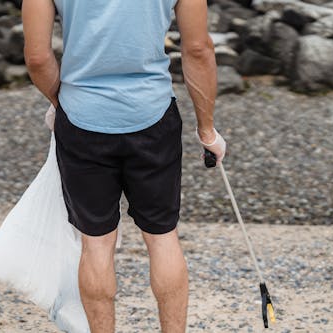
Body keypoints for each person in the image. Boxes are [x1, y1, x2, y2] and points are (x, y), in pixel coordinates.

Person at [22, 0, 227, 332]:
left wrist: (58, 101)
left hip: (81, 120)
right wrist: (207, 130)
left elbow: (37, 57)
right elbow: (199, 49)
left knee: (96, 243)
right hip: (152, 115)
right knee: (162, 237)